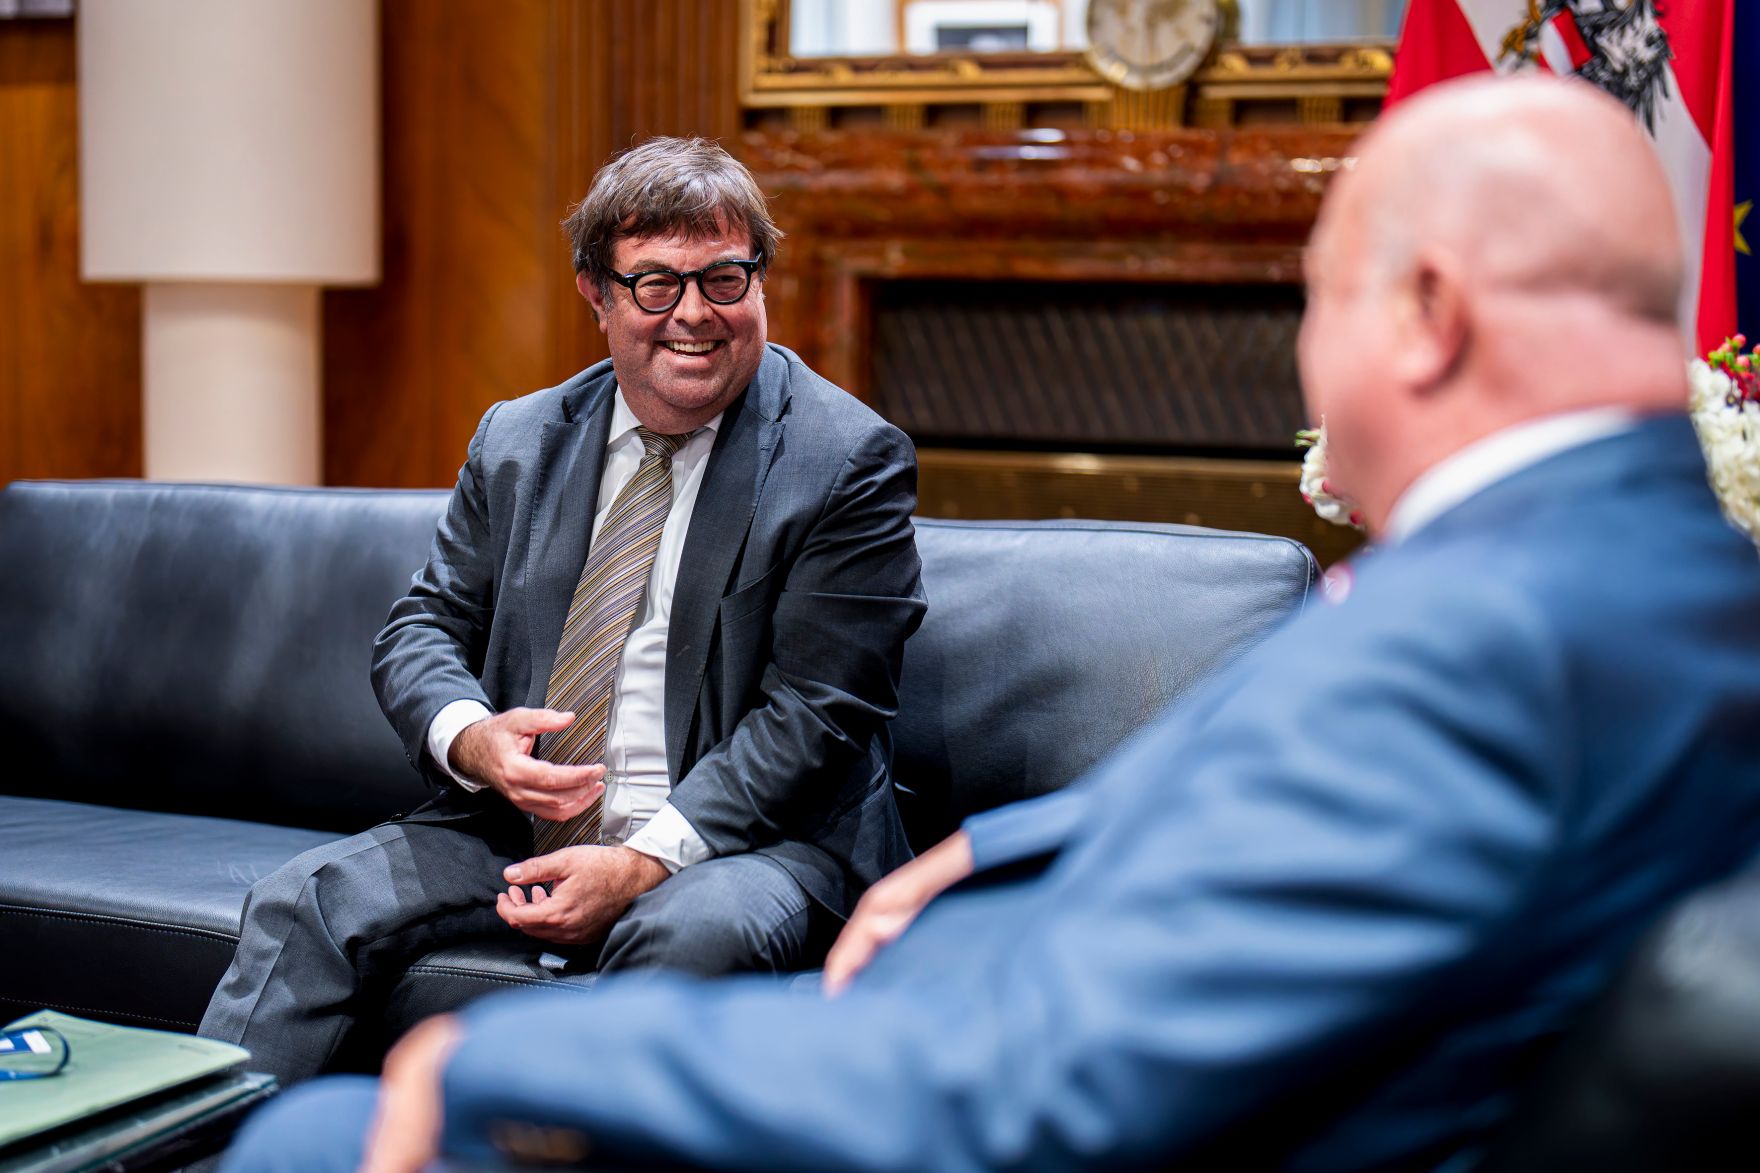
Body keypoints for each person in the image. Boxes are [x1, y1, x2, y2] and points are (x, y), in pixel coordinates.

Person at [227, 75, 1760, 1172]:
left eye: (1315, 299)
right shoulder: (1629, 579)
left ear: (1426, 316)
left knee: (320, 1140)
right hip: (958, 955)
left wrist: (507, 1052)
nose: (1304, 361)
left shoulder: (1481, 647)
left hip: (967, 1037)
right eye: (657, 283)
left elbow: (1050, 1084)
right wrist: (999, 850)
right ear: (599, 296)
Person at [198, 137, 927, 1089]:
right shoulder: (520, 440)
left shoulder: (846, 459)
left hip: (755, 843)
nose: (695, 315)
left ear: (761, 277)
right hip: (525, 827)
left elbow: (822, 712)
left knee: (688, 932)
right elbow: (423, 624)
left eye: (725, 277)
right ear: (596, 293)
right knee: (304, 901)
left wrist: (645, 860)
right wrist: (473, 741)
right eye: (656, 285)